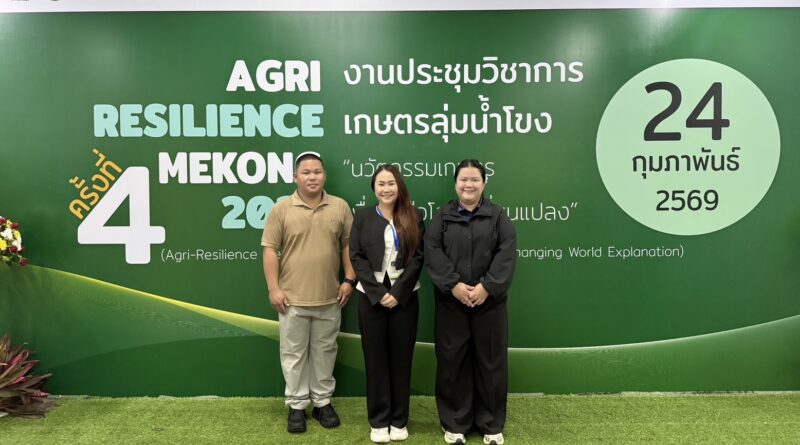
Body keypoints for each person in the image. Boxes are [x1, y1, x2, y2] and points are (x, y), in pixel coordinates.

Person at [261, 152, 357, 434]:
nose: (312, 177)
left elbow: (349, 245)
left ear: (324, 175)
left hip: (330, 297)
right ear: (295, 177)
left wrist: (349, 279)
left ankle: (322, 403)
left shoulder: (340, 206)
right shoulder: (281, 209)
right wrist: (274, 288)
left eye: (317, 172)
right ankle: (297, 405)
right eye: (306, 172)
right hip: (291, 300)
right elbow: (270, 249)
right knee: (293, 353)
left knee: (325, 352)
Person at [425, 159, 517, 445]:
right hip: (451, 304)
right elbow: (432, 251)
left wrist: (486, 287)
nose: (469, 184)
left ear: (484, 183)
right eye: (463, 179)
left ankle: (491, 424)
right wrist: (453, 285)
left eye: (474, 179)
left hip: (489, 305)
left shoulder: (498, 216)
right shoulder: (442, 217)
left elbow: (506, 254)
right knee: (452, 362)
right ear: (455, 183)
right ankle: (455, 424)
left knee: (491, 363)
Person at [349, 164, 425, 443]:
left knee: (402, 360)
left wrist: (399, 292)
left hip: (405, 298)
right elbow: (356, 256)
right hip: (371, 298)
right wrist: (377, 292)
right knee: (375, 360)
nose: (386, 189)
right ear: (374, 188)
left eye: (391, 183)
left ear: (399, 186)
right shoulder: (363, 216)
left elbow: (418, 257)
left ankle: (399, 420)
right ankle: (379, 421)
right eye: (381, 184)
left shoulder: (414, 216)